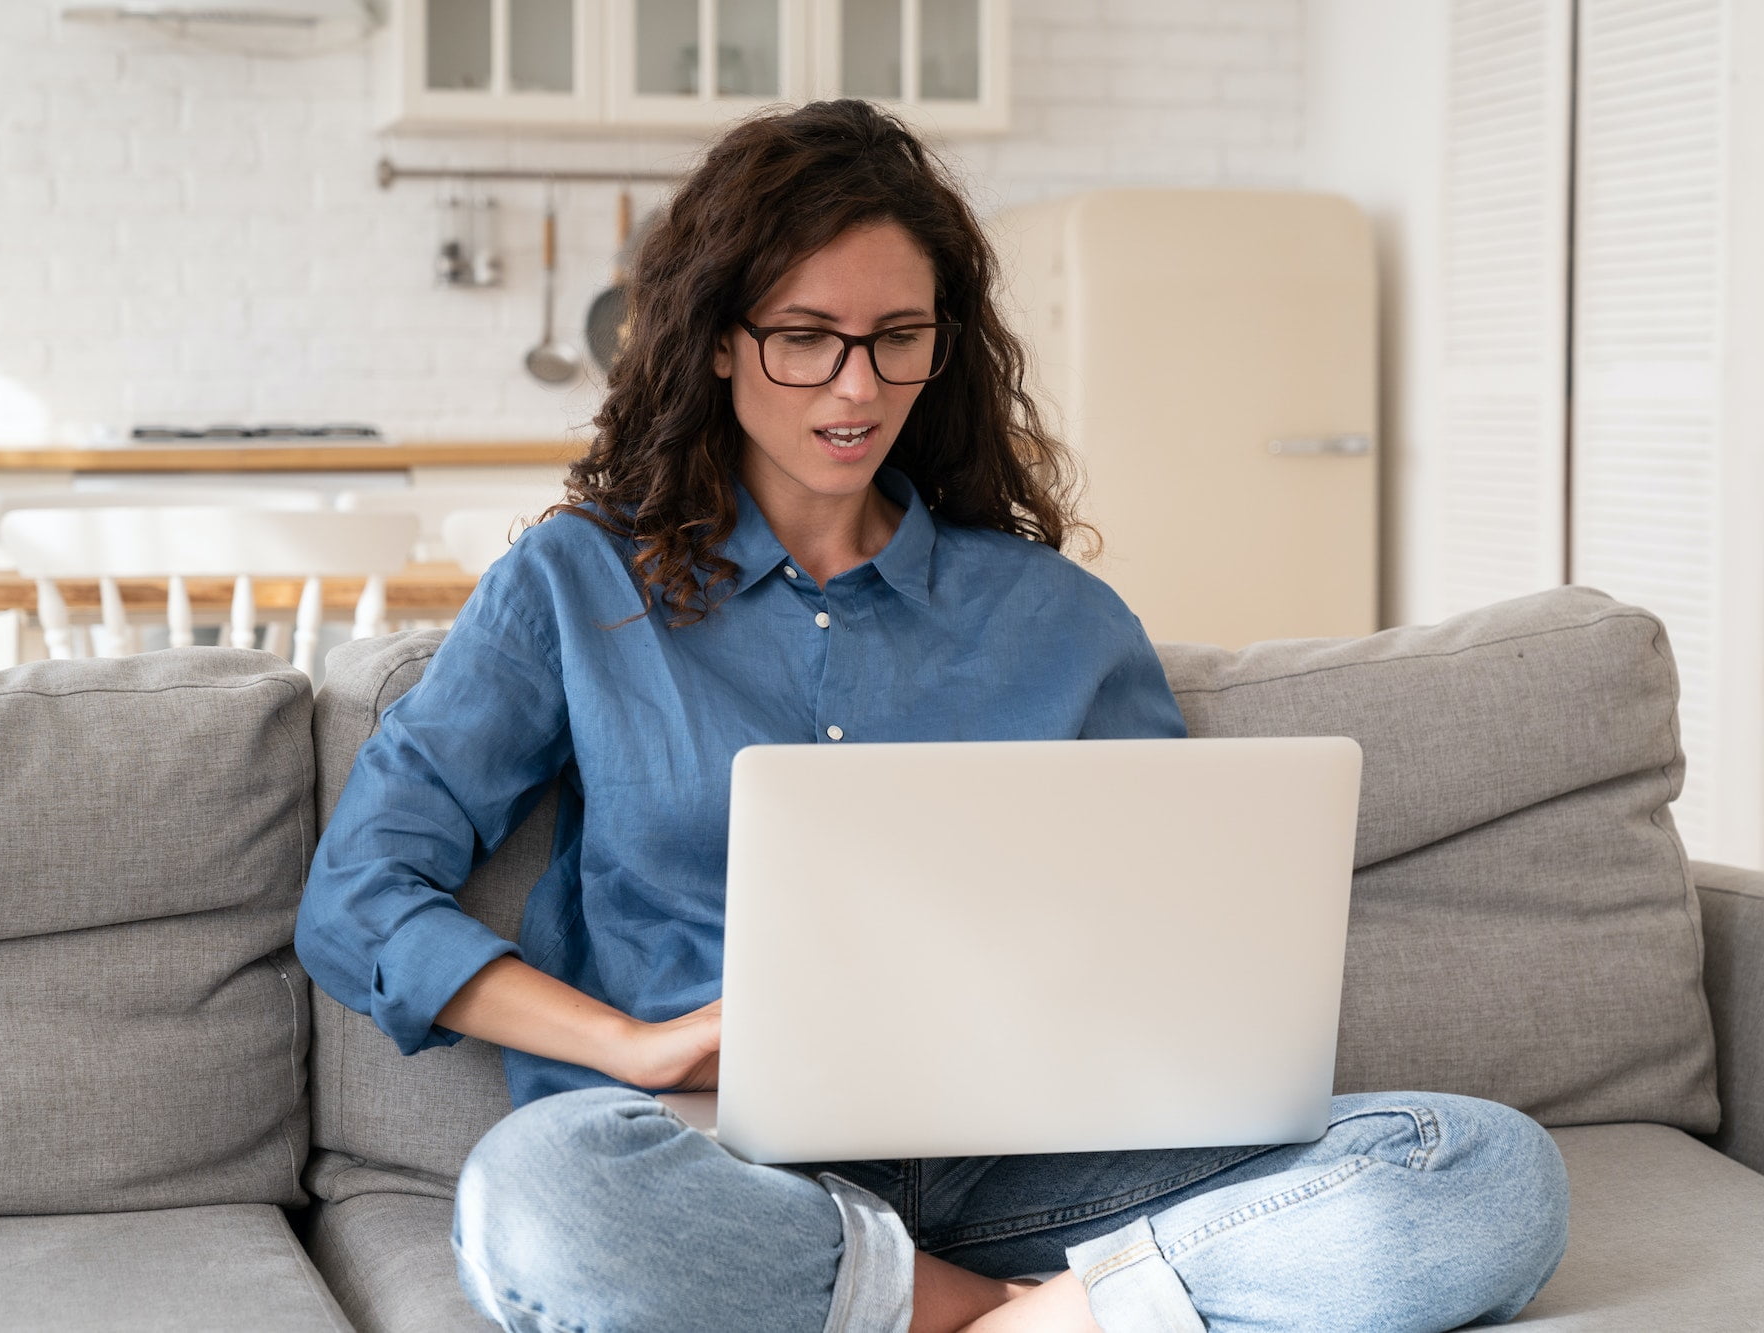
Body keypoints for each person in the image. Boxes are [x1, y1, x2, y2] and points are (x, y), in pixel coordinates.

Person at [295, 99, 1569, 1333]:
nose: (855, 387)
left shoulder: (1059, 621)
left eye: (896, 336)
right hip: (715, 1160)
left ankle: (970, 1312)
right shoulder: (577, 584)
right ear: (719, 338)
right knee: (537, 1202)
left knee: (1478, 1170)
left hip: (1026, 1165)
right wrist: (633, 1047)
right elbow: (358, 898)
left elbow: (1168, 940)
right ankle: (1047, 1314)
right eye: (805, 336)